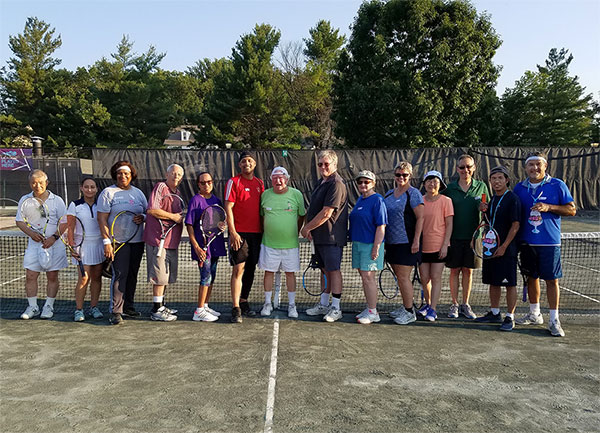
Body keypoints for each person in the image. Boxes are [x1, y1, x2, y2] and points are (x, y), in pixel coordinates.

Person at [513, 152, 576, 337]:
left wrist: (549, 207)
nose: (534, 168)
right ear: (525, 168)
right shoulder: (519, 188)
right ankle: (535, 314)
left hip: (549, 242)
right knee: (531, 278)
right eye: (531, 165)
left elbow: (571, 209)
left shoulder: (557, 185)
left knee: (551, 280)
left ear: (545, 166)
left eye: (538, 164)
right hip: (527, 242)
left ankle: (554, 319)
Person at [300, 150, 349, 323]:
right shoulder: (322, 182)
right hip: (320, 237)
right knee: (324, 270)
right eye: (320, 164)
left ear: (335, 164)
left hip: (332, 237)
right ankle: (324, 304)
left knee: (333, 270)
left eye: (326, 164)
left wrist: (306, 228)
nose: (322, 167)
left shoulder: (336, 184)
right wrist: (312, 230)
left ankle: (336, 308)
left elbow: (327, 212)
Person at [97, 161, 147, 325]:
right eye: (120, 173)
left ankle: (128, 307)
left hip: (137, 241)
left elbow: (147, 212)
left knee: (132, 274)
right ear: (115, 175)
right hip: (117, 242)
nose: (123, 176)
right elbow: (102, 218)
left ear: (132, 175)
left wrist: (143, 218)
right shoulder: (108, 193)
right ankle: (116, 311)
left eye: (126, 173)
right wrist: (106, 241)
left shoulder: (138, 193)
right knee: (120, 275)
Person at [16, 169, 68, 320]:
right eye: (33, 182)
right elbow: (19, 221)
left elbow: (64, 221)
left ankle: (48, 306)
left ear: (46, 183)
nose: (37, 185)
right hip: (34, 245)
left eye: (40, 182)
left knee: (52, 276)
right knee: (30, 275)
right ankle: (33, 307)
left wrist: (54, 237)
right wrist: (31, 234)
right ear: (30, 183)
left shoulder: (57, 200)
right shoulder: (24, 199)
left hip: (55, 244)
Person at [474, 166, 521, 331]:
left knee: (509, 284)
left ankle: (510, 316)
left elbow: (515, 225)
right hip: (490, 249)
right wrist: (482, 212)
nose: (496, 181)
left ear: (507, 180)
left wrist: (504, 246)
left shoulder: (512, 199)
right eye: (493, 178)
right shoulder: (491, 200)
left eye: (500, 178)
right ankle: (494, 313)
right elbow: (487, 223)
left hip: (506, 250)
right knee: (493, 282)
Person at [443, 154, 489, 320]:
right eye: (462, 167)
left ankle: (465, 304)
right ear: (457, 169)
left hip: (474, 238)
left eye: (468, 166)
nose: (465, 170)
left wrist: (484, 209)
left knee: (468, 271)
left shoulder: (482, 187)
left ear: (474, 168)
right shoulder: (449, 189)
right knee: (454, 271)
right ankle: (454, 304)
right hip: (454, 237)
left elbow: (485, 208)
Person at [258, 166, 306, 319]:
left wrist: (295, 232)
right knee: (269, 273)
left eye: (281, 177)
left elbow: (301, 216)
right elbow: (262, 216)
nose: (278, 180)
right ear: (271, 180)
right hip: (269, 244)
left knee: (290, 274)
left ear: (287, 179)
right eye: (275, 177)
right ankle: (267, 303)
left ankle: (292, 305)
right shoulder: (265, 195)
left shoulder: (297, 194)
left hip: (290, 245)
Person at [224, 151, 264, 323]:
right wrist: (233, 232)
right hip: (239, 235)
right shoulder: (233, 182)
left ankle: (244, 301)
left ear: (254, 164)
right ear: (239, 165)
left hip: (257, 234)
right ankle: (235, 308)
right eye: (243, 161)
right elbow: (228, 207)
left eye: (250, 161)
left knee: (251, 269)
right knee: (238, 269)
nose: (247, 163)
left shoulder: (260, 184)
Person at [384, 162, 425, 325]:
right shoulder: (388, 194)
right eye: (398, 175)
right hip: (391, 242)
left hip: (407, 243)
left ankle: (409, 312)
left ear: (410, 176)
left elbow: (421, 218)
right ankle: (405, 306)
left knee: (403, 277)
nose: (401, 178)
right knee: (400, 277)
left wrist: (416, 240)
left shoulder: (413, 194)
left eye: (405, 175)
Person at [143, 164, 185, 322]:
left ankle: (161, 304)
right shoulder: (160, 187)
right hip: (157, 240)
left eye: (179, 175)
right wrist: (174, 217)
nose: (176, 176)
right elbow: (152, 210)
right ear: (166, 174)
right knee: (160, 277)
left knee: (166, 276)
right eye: (173, 173)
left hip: (171, 242)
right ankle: (156, 310)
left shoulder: (177, 193)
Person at [186, 172, 227, 322]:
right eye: (203, 183)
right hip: (202, 246)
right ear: (198, 184)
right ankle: (199, 311)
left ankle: (205, 305)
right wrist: (196, 246)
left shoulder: (217, 201)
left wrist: (222, 226)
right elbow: (189, 225)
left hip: (215, 245)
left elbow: (219, 221)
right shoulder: (195, 201)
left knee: (212, 276)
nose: (206, 185)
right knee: (205, 277)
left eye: (209, 182)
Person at [349, 170, 387, 324]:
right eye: (360, 182)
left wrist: (376, 247)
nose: (363, 184)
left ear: (373, 183)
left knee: (369, 277)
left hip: (370, 245)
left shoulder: (377, 200)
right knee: (364, 277)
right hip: (357, 243)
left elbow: (381, 226)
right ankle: (369, 307)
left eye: (367, 182)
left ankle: (373, 312)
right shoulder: (360, 200)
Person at [68, 177, 105, 322]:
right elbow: (70, 227)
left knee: (97, 278)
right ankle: (79, 310)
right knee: (84, 278)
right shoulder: (74, 205)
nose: (89, 190)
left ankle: (94, 307)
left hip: (99, 245)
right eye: (86, 187)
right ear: (81, 188)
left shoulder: (101, 205)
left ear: (96, 189)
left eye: (92, 187)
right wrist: (71, 246)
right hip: (81, 246)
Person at [418, 171, 454, 322]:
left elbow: (449, 224)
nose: (432, 184)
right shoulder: (419, 200)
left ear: (440, 184)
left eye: (435, 181)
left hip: (439, 245)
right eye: (429, 181)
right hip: (422, 246)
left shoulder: (446, 201)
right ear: (424, 183)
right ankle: (427, 304)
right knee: (424, 278)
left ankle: (433, 309)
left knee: (436, 277)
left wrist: (445, 244)